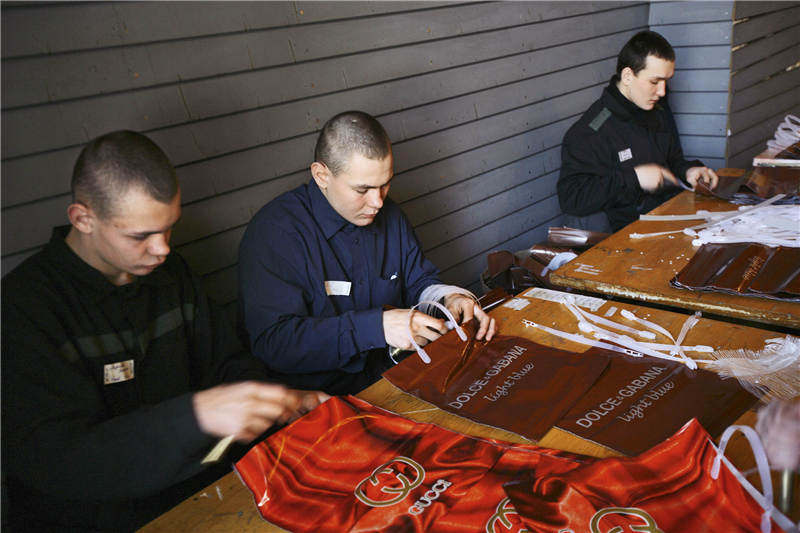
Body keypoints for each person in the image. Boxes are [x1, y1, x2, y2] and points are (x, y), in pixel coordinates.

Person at [1, 130, 327, 532]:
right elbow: (59, 461)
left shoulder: (171, 275)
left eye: (169, 227)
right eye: (140, 236)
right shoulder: (23, 308)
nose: (163, 248)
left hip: (209, 497)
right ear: (83, 218)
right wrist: (196, 416)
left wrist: (276, 402)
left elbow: (227, 363)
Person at [238, 111, 496, 395]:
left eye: (385, 184)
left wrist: (448, 298)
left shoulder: (390, 214)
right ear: (322, 175)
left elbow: (418, 281)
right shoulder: (275, 233)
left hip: (397, 374)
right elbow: (275, 343)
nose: (377, 202)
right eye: (363, 189)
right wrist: (376, 328)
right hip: (321, 399)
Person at [557, 30, 719, 232]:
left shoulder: (656, 108)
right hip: (625, 235)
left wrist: (689, 171)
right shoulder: (591, 131)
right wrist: (635, 178)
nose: (661, 91)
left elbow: (672, 160)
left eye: (666, 81)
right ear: (627, 76)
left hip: (668, 218)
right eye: (654, 82)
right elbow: (572, 199)